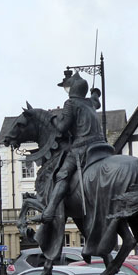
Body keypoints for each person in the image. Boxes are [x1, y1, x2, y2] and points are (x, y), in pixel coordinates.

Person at [40, 70, 112, 224]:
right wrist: (96, 93)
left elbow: (62, 127)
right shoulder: (90, 103)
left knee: (62, 175)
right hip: (101, 146)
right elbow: (97, 101)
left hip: (82, 148)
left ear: (73, 89)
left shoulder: (70, 104)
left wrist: (52, 119)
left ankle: (50, 210)